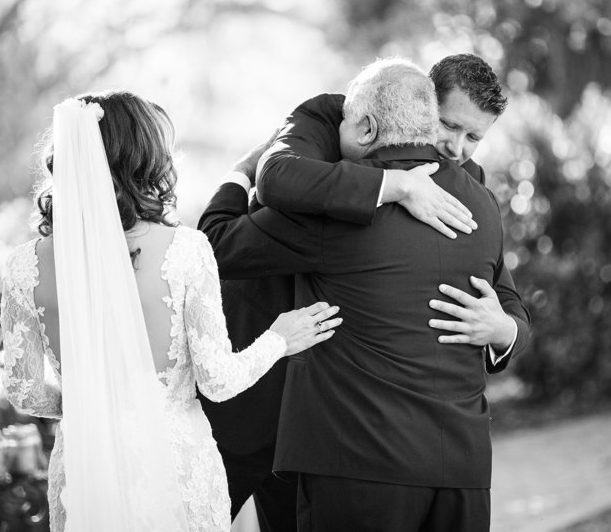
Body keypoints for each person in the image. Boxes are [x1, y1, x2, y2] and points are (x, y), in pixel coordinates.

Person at [197, 54, 530, 530]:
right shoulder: (331, 121)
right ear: (423, 103)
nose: (455, 149)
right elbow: (276, 176)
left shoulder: (474, 193)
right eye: (449, 126)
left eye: (473, 137)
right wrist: (393, 185)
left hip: (354, 443)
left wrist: (504, 330)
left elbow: (505, 296)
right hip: (270, 404)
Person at [0, 91, 342, 531]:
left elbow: (25, 390)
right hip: (175, 466)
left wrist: (94, 401)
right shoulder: (185, 251)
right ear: (143, 161)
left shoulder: (24, 266)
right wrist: (280, 338)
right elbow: (218, 381)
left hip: (85, 466)